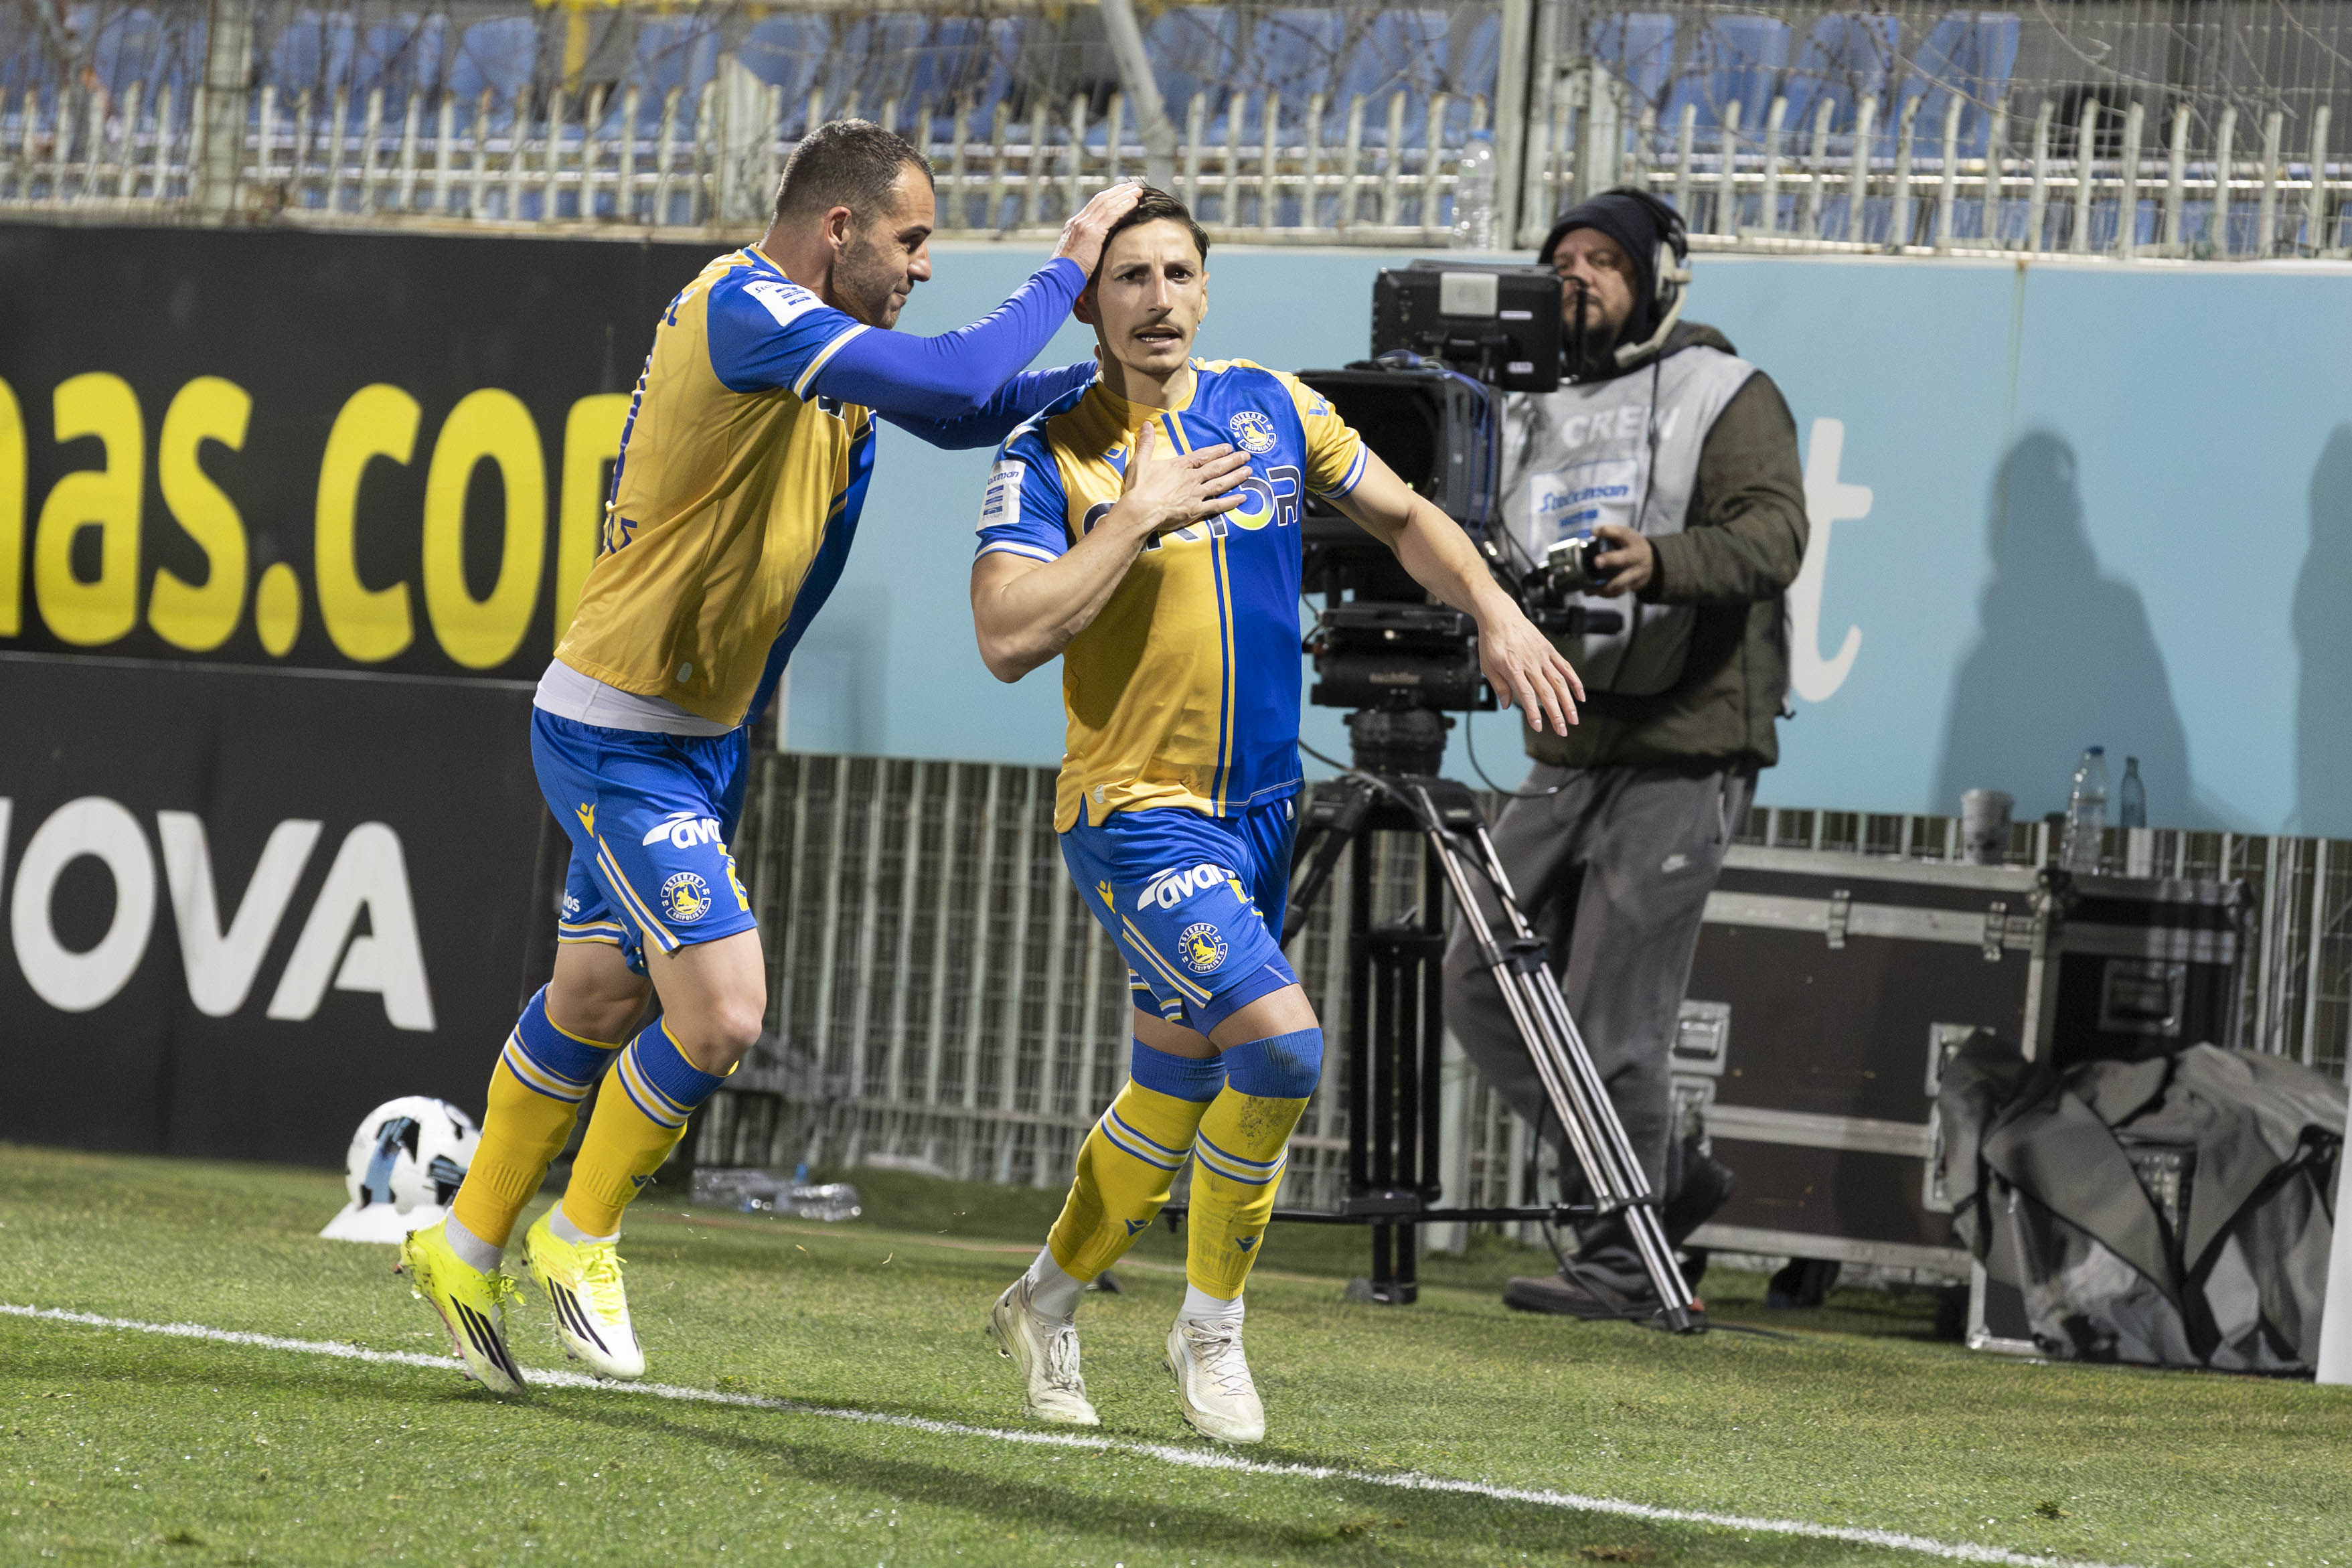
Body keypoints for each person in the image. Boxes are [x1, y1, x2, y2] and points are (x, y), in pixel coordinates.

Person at [395, 122, 1146, 1394]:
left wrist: (1122, 379)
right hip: (621, 728)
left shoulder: (822, 343)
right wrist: (1070, 265)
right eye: (911, 241)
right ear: (838, 229)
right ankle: (580, 1233)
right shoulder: (745, 307)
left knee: (595, 1000)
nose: (921, 269)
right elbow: (957, 383)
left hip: (697, 736)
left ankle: (463, 1247)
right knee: (725, 1012)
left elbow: (969, 410)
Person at [967, 188, 1581, 1441]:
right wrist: (1134, 517)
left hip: (1259, 811)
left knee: (1173, 1085)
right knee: (1284, 1049)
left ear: (1206, 288)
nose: (1157, 299)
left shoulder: (1272, 407)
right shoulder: (1049, 449)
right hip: (1135, 807)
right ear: (1089, 305)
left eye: (1177, 273)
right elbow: (1004, 636)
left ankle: (1044, 1300)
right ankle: (1212, 1327)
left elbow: (1404, 516)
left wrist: (1497, 612)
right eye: (1128, 277)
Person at [1439, 186, 1809, 1322]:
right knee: (1474, 978)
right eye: (1563, 257)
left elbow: (1774, 535)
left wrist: (1661, 559)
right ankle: (1658, 1179)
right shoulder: (1520, 400)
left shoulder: (1723, 389)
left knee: (1614, 1020)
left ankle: (1619, 1261)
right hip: (1565, 737)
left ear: (1655, 281)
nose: (1578, 275)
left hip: (1685, 742)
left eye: (1604, 259)